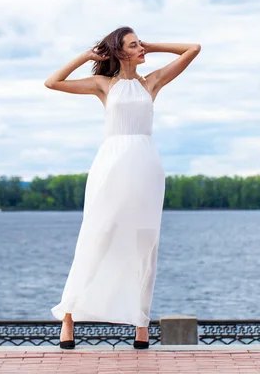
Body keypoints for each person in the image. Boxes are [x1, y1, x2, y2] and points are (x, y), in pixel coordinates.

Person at [45, 26, 200, 349]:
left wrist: (151, 46)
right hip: (111, 163)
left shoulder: (151, 82)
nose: (141, 48)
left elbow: (193, 48)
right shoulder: (104, 85)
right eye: (134, 45)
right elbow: (52, 82)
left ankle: (141, 324)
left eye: (140, 44)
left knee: (145, 241)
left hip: (146, 165)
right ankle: (69, 318)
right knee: (96, 235)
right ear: (119, 52)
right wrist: (87, 56)